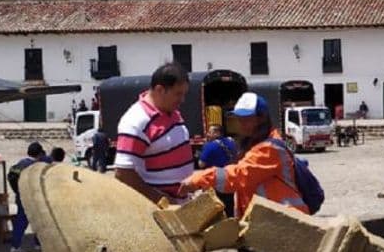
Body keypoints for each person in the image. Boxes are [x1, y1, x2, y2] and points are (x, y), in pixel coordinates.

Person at [180, 92, 309, 217]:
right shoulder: (255, 143)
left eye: (246, 119)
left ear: (261, 119)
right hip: (270, 220)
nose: (241, 124)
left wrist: (198, 179)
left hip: (284, 222)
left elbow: (239, 175)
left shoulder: (269, 149)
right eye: (239, 119)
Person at [113, 63, 192, 203]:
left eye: (184, 94)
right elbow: (123, 173)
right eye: (178, 94)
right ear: (160, 90)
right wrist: (163, 201)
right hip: (158, 210)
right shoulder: (136, 121)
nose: (182, 100)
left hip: (181, 204)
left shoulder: (171, 111)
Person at [7, 142, 48, 252]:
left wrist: (17, 192)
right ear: (39, 154)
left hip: (21, 196)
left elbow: (11, 177)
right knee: (39, 222)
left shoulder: (20, 163)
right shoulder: (37, 166)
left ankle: (15, 246)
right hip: (34, 198)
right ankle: (38, 244)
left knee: (20, 221)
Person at [198, 124, 238, 217]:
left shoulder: (210, 146)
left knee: (215, 208)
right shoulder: (231, 142)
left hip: (215, 180)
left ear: (217, 133)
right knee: (229, 206)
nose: (207, 134)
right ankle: (230, 223)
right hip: (230, 178)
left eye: (210, 132)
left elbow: (201, 164)